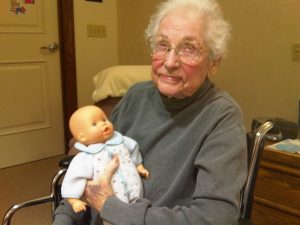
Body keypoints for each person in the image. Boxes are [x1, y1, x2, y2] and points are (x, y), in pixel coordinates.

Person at [53, 0, 247, 224]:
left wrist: (109, 206)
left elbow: (215, 217)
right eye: (162, 45)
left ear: (214, 62)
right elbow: (87, 171)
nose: (170, 62)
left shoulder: (221, 116)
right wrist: (63, 219)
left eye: (189, 48)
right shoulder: (136, 96)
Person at [61, 106, 149, 213]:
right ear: (82, 137)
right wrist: (74, 200)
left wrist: (138, 165)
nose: (103, 124)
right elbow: (74, 177)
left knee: (139, 212)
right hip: (110, 201)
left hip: (136, 190)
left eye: (104, 119)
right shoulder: (86, 157)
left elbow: (133, 147)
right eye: (94, 124)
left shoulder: (120, 141)